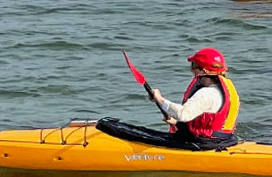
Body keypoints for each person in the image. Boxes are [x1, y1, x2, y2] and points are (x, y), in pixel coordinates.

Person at [99, 48, 242, 151]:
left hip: (204, 144)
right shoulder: (224, 88)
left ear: (203, 71)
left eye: (194, 67)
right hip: (223, 140)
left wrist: (159, 99)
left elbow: (183, 114)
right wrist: (175, 122)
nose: (192, 70)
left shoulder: (207, 93)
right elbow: (208, 120)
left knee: (124, 130)